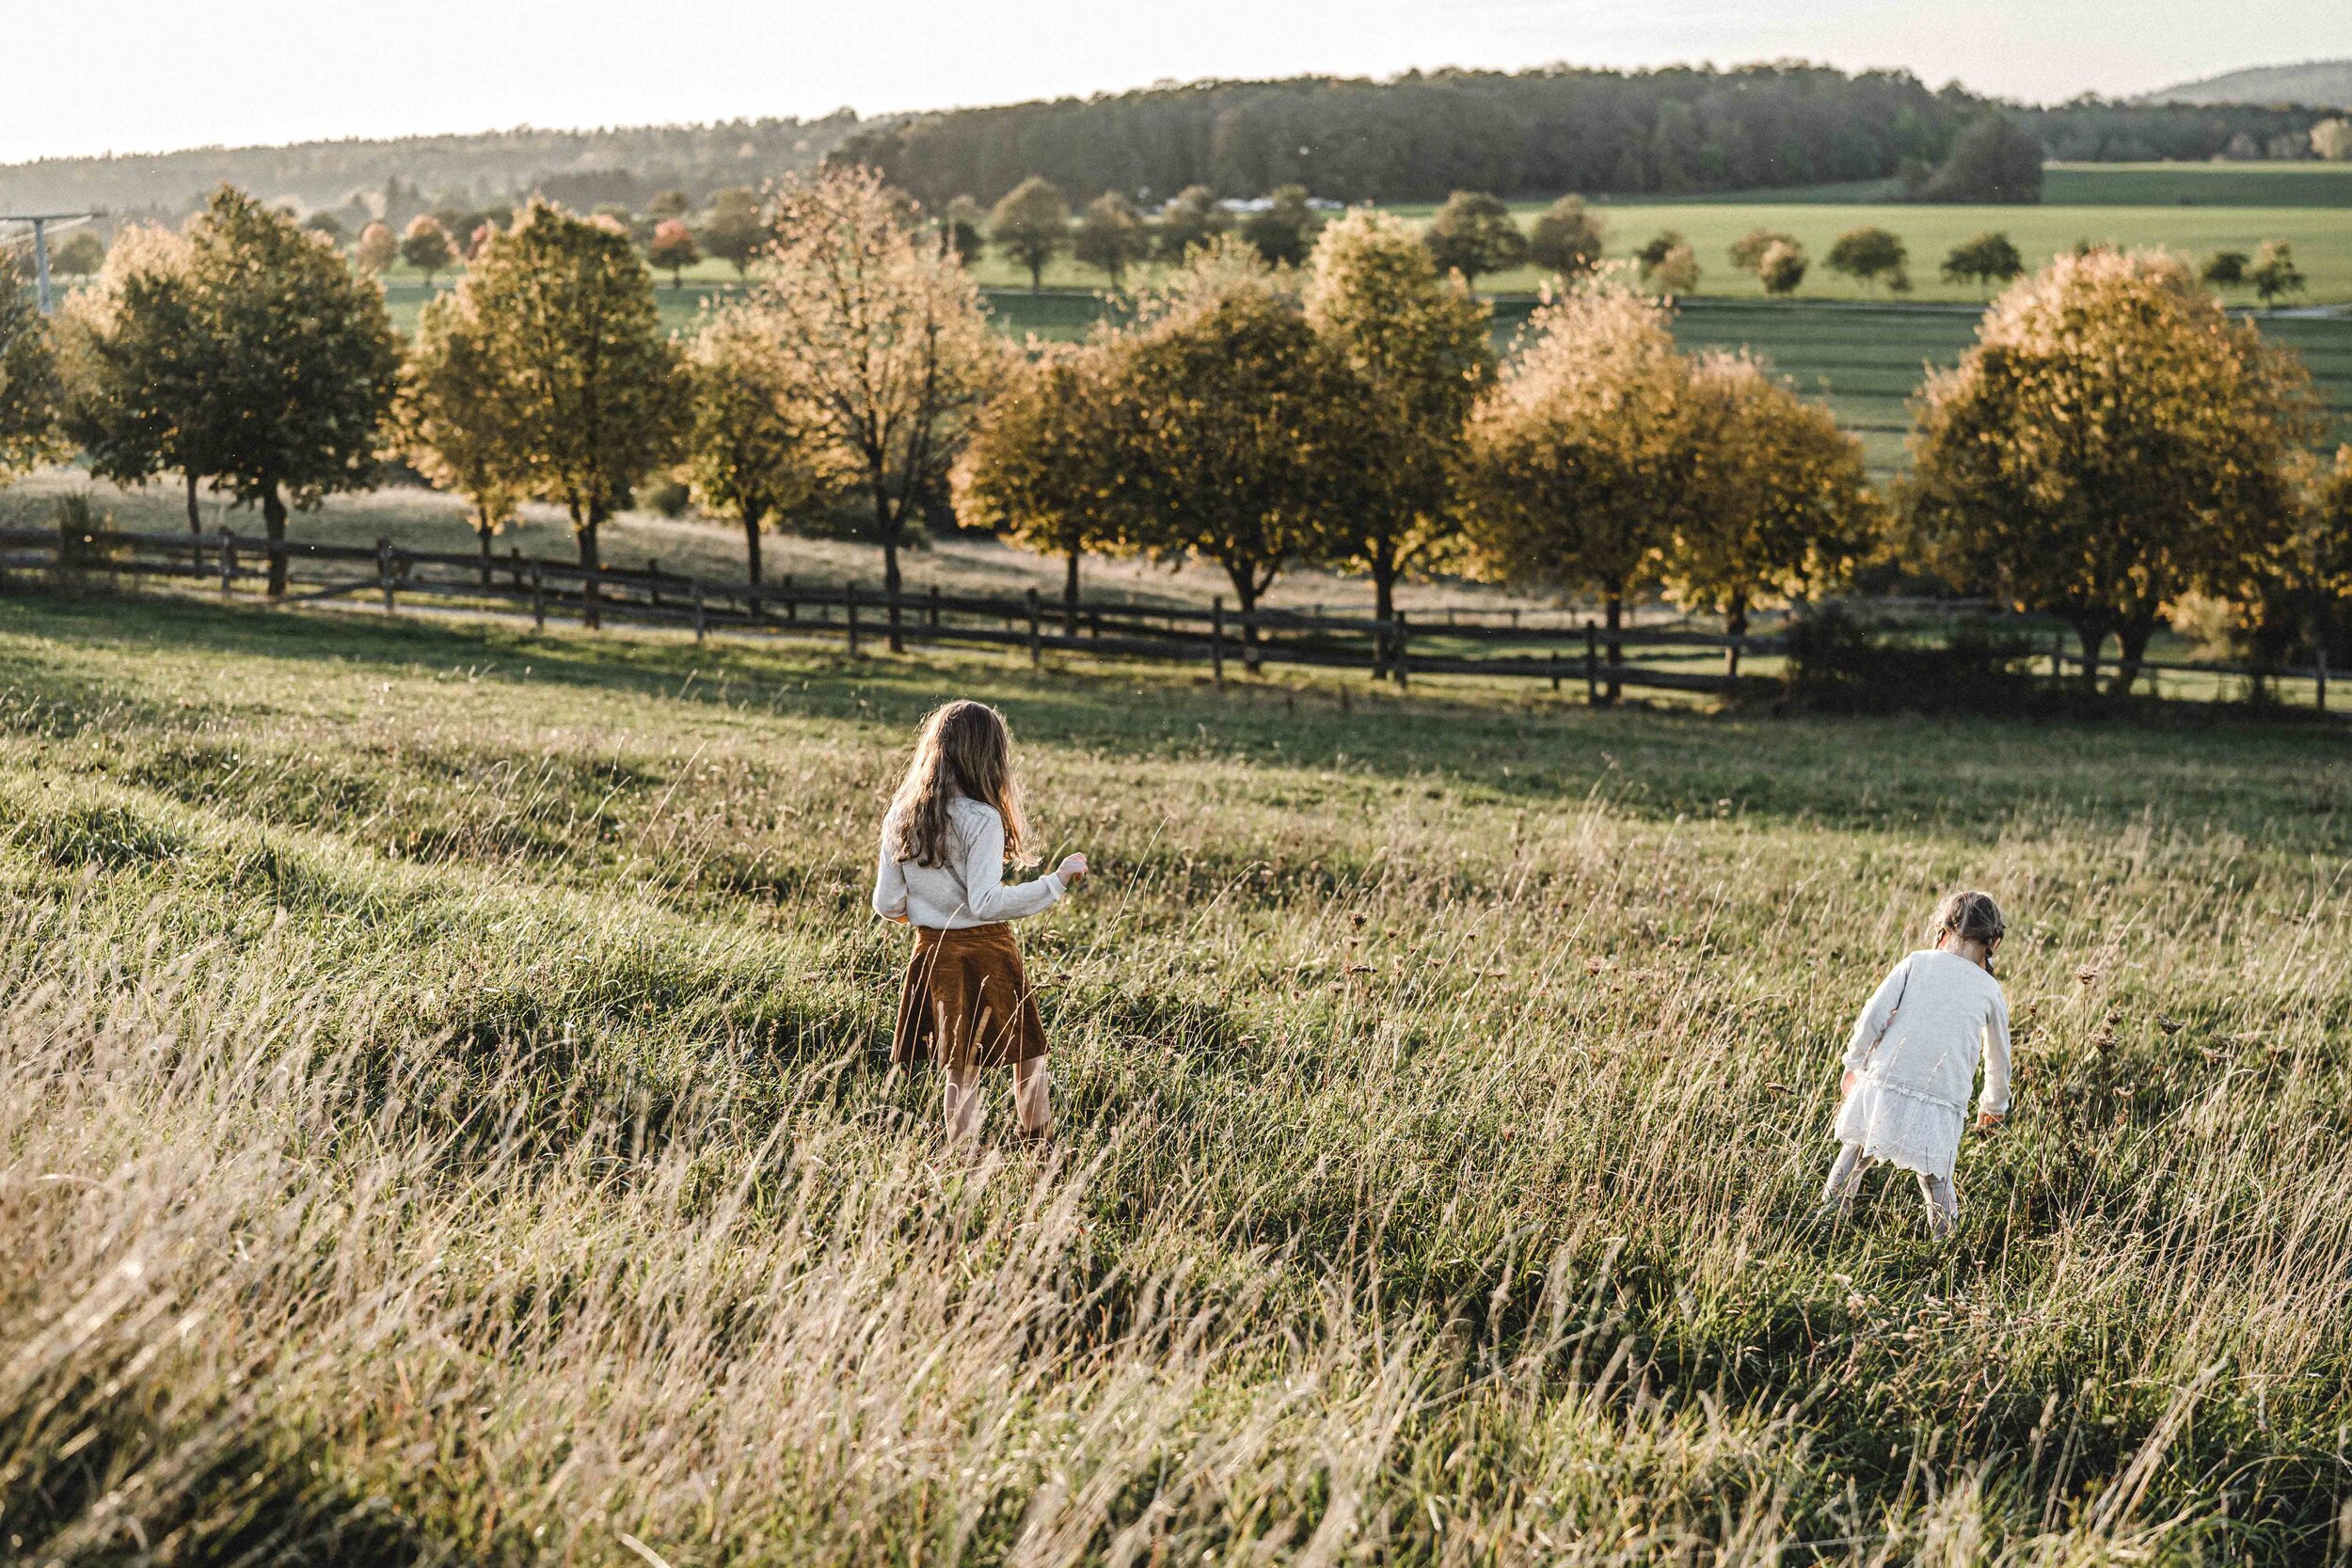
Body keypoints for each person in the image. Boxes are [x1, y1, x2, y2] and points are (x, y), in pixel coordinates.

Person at [873, 700, 1088, 1148]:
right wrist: (1056, 882)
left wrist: (931, 917)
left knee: (959, 1065)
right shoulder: (981, 819)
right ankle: (1039, 1149)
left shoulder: (901, 814)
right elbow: (986, 903)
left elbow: (886, 901)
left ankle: (962, 1159)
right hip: (987, 950)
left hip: (931, 953)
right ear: (988, 757)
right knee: (1027, 1055)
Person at [1820, 890, 2011, 1239]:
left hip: (1887, 1078)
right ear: (1991, 942)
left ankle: (1827, 1223)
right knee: (1936, 1177)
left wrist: (1855, 1062)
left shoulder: (1916, 962)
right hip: (1942, 1093)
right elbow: (1998, 1056)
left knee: (1856, 1152)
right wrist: (1994, 1103)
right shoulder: (1989, 988)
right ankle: (1946, 1245)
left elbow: (1872, 1016)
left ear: (1943, 928)